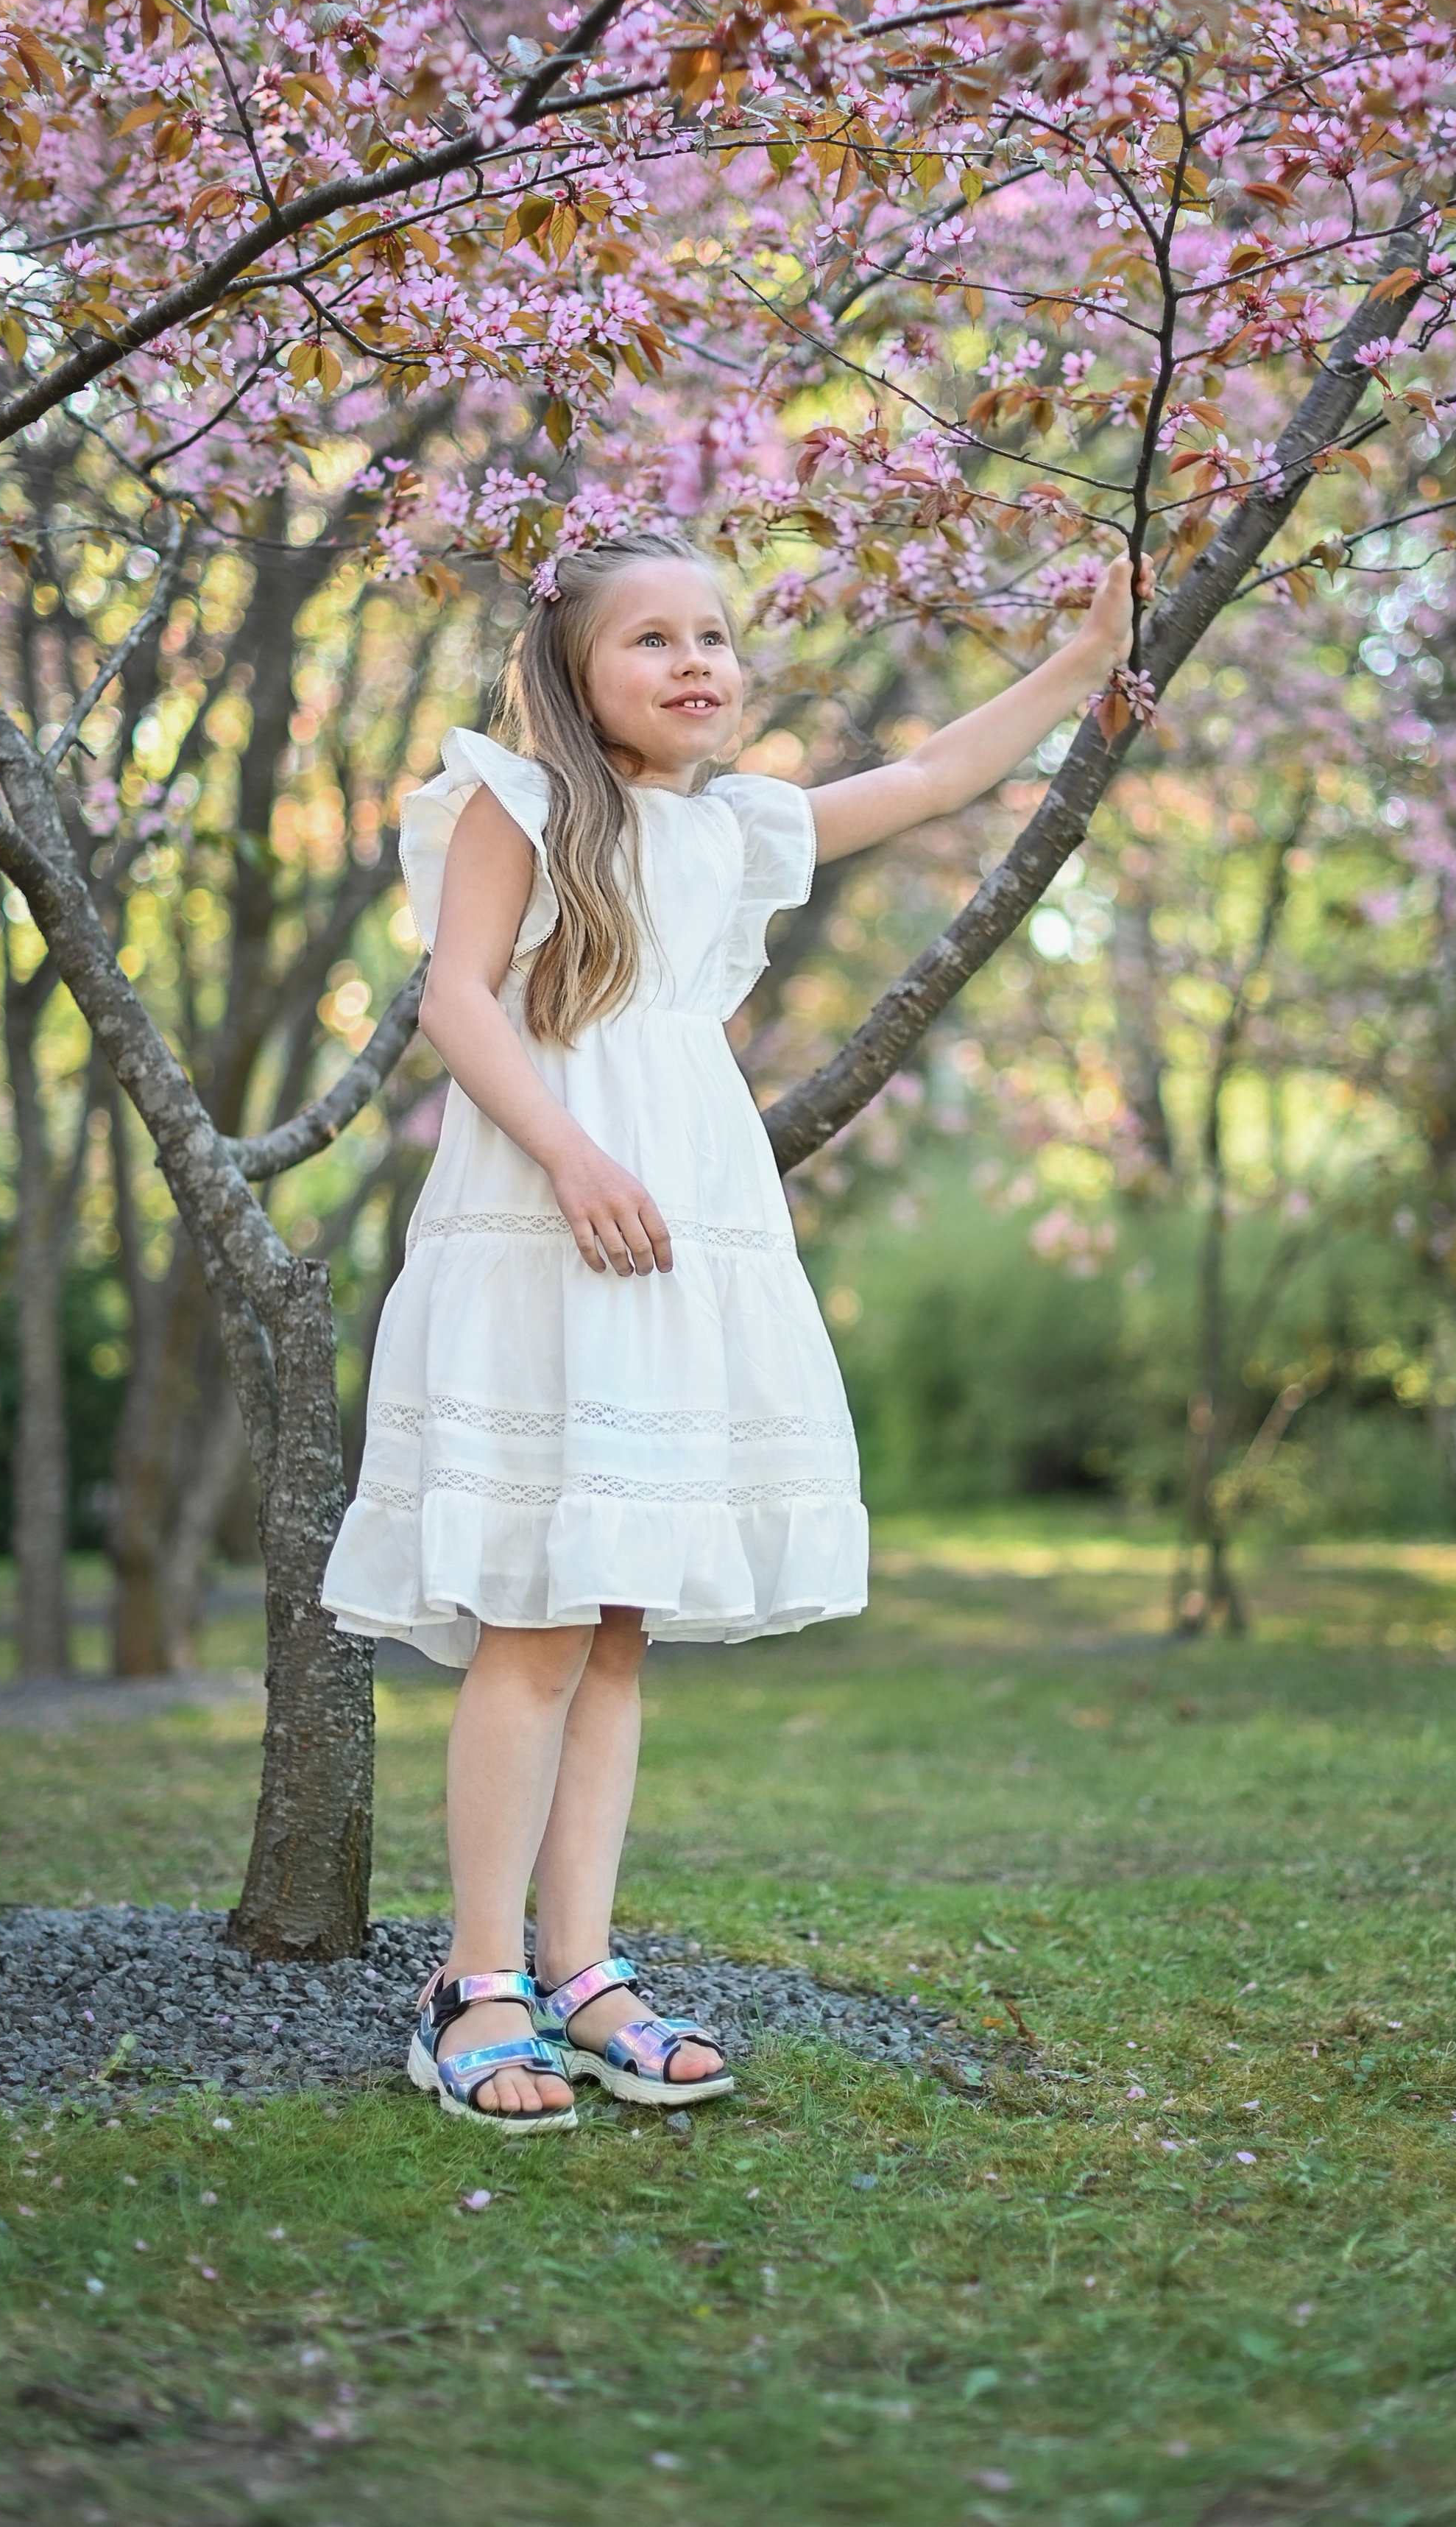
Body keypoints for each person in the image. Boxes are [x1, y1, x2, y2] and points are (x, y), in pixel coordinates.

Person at [322, 525, 1153, 2130]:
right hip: (553, 1220)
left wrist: (1074, 668)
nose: (696, 660)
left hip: (682, 1238)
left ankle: (583, 1970)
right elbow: (458, 998)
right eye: (651, 638)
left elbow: (930, 776)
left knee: (617, 1620)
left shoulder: (735, 827)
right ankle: (472, 1983)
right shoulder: (521, 802)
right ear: (571, 670)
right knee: (536, 1614)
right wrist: (571, 1156)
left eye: (712, 633)